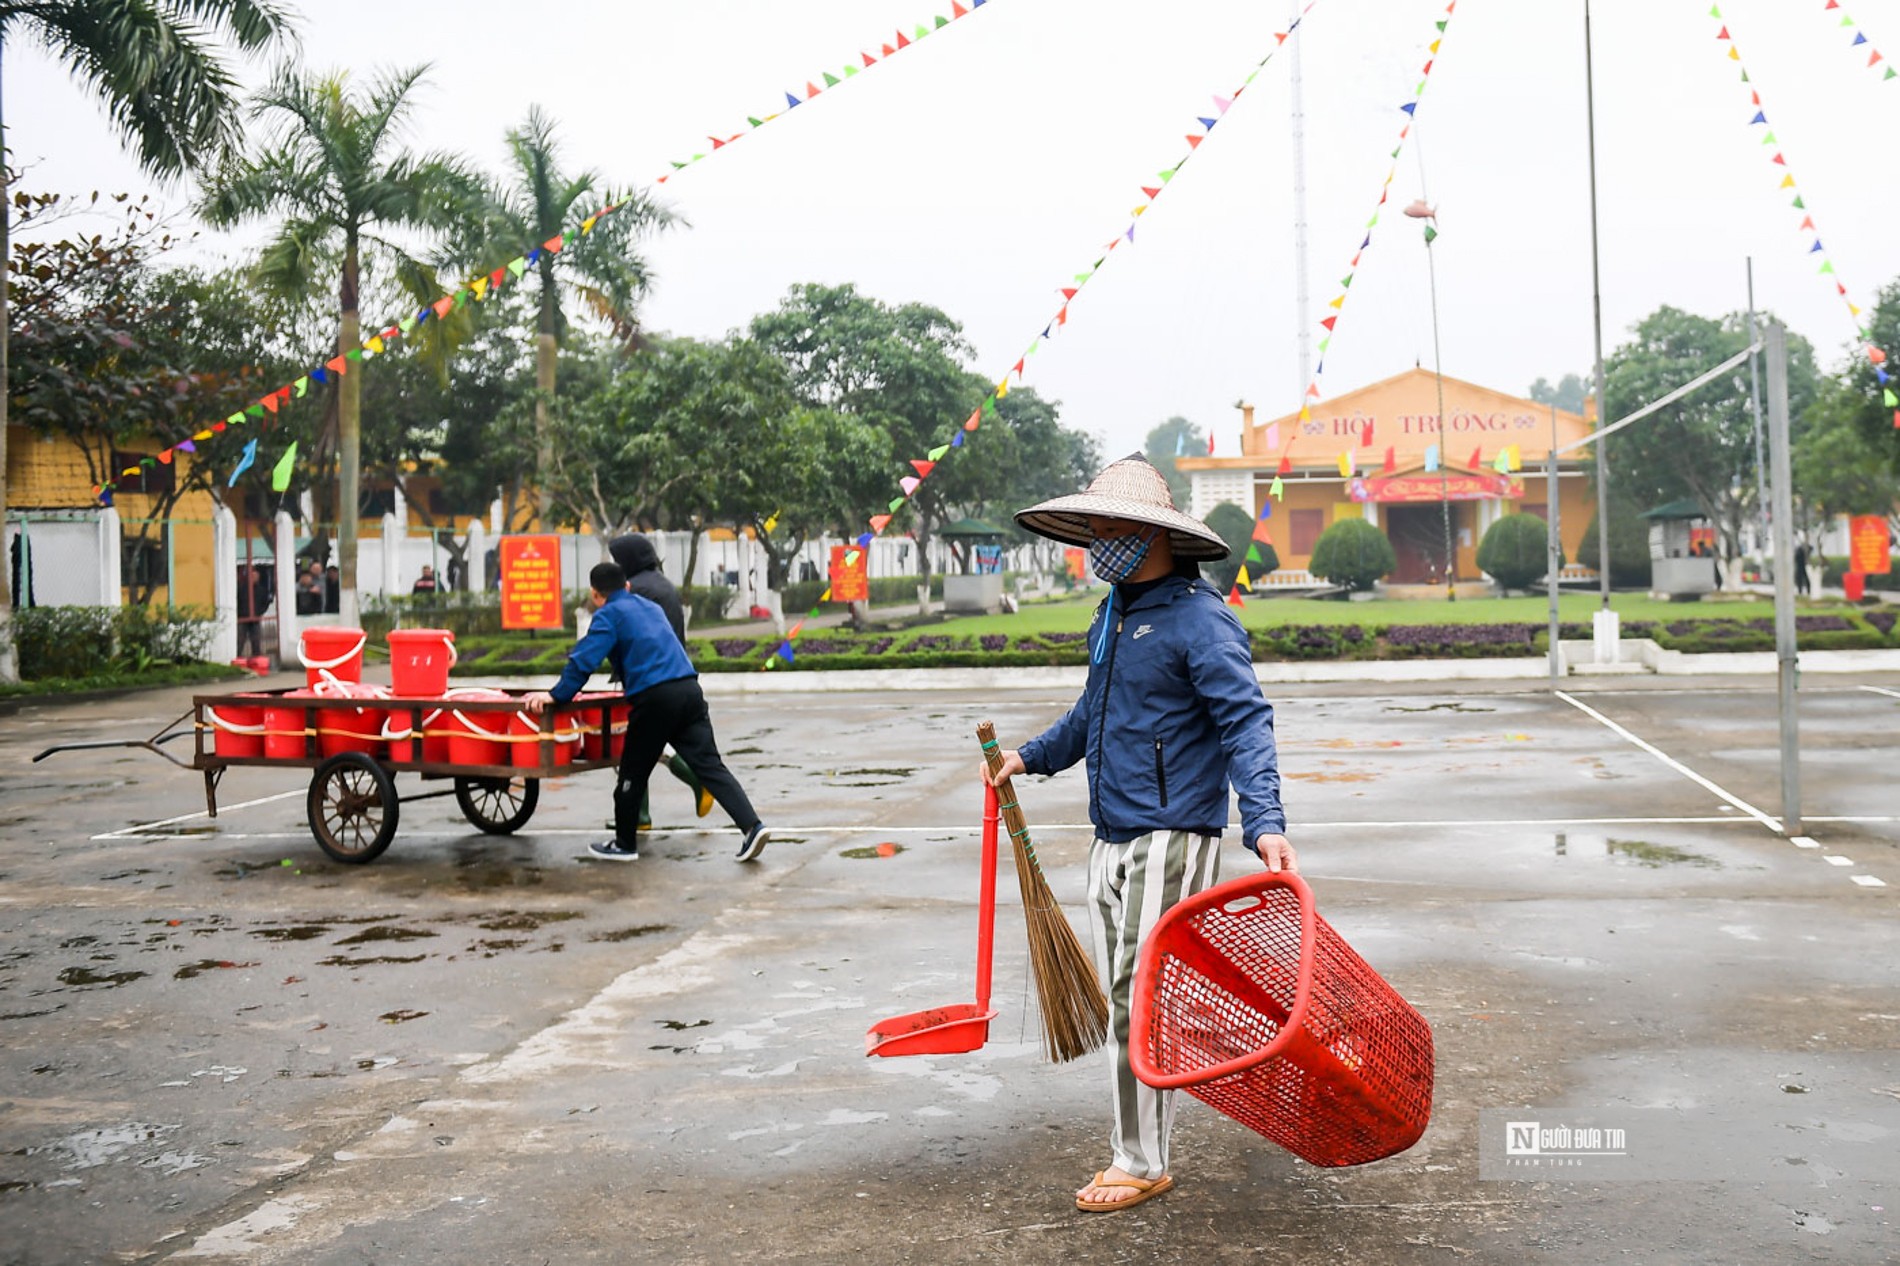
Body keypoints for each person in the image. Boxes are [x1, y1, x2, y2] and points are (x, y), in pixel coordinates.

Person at [980, 453, 1293, 1215]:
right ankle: (1141, 1147)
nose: (1096, 540)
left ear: (1153, 533)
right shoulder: (1113, 613)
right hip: (1110, 833)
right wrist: (1032, 756)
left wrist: (1266, 823)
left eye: (1110, 526)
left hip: (1172, 836)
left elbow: (1245, 723)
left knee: (1135, 997)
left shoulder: (1202, 619)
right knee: (1133, 999)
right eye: (1093, 526)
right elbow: (1093, 712)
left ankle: (1141, 1159)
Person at [525, 561, 769, 864]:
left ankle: (624, 844)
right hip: (689, 690)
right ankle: (752, 827)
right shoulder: (651, 609)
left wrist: (554, 695)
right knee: (710, 766)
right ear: (627, 585)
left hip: (655, 698)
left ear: (595, 594)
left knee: (632, 773)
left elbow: (584, 661)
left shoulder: (607, 615)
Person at [608, 532, 715, 831]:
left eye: (617, 560)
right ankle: (640, 814)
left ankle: (646, 811)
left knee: (632, 745)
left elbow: (624, 630)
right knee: (642, 744)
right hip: (673, 673)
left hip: (646, 676)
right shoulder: (662, 584)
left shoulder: (635, 589)